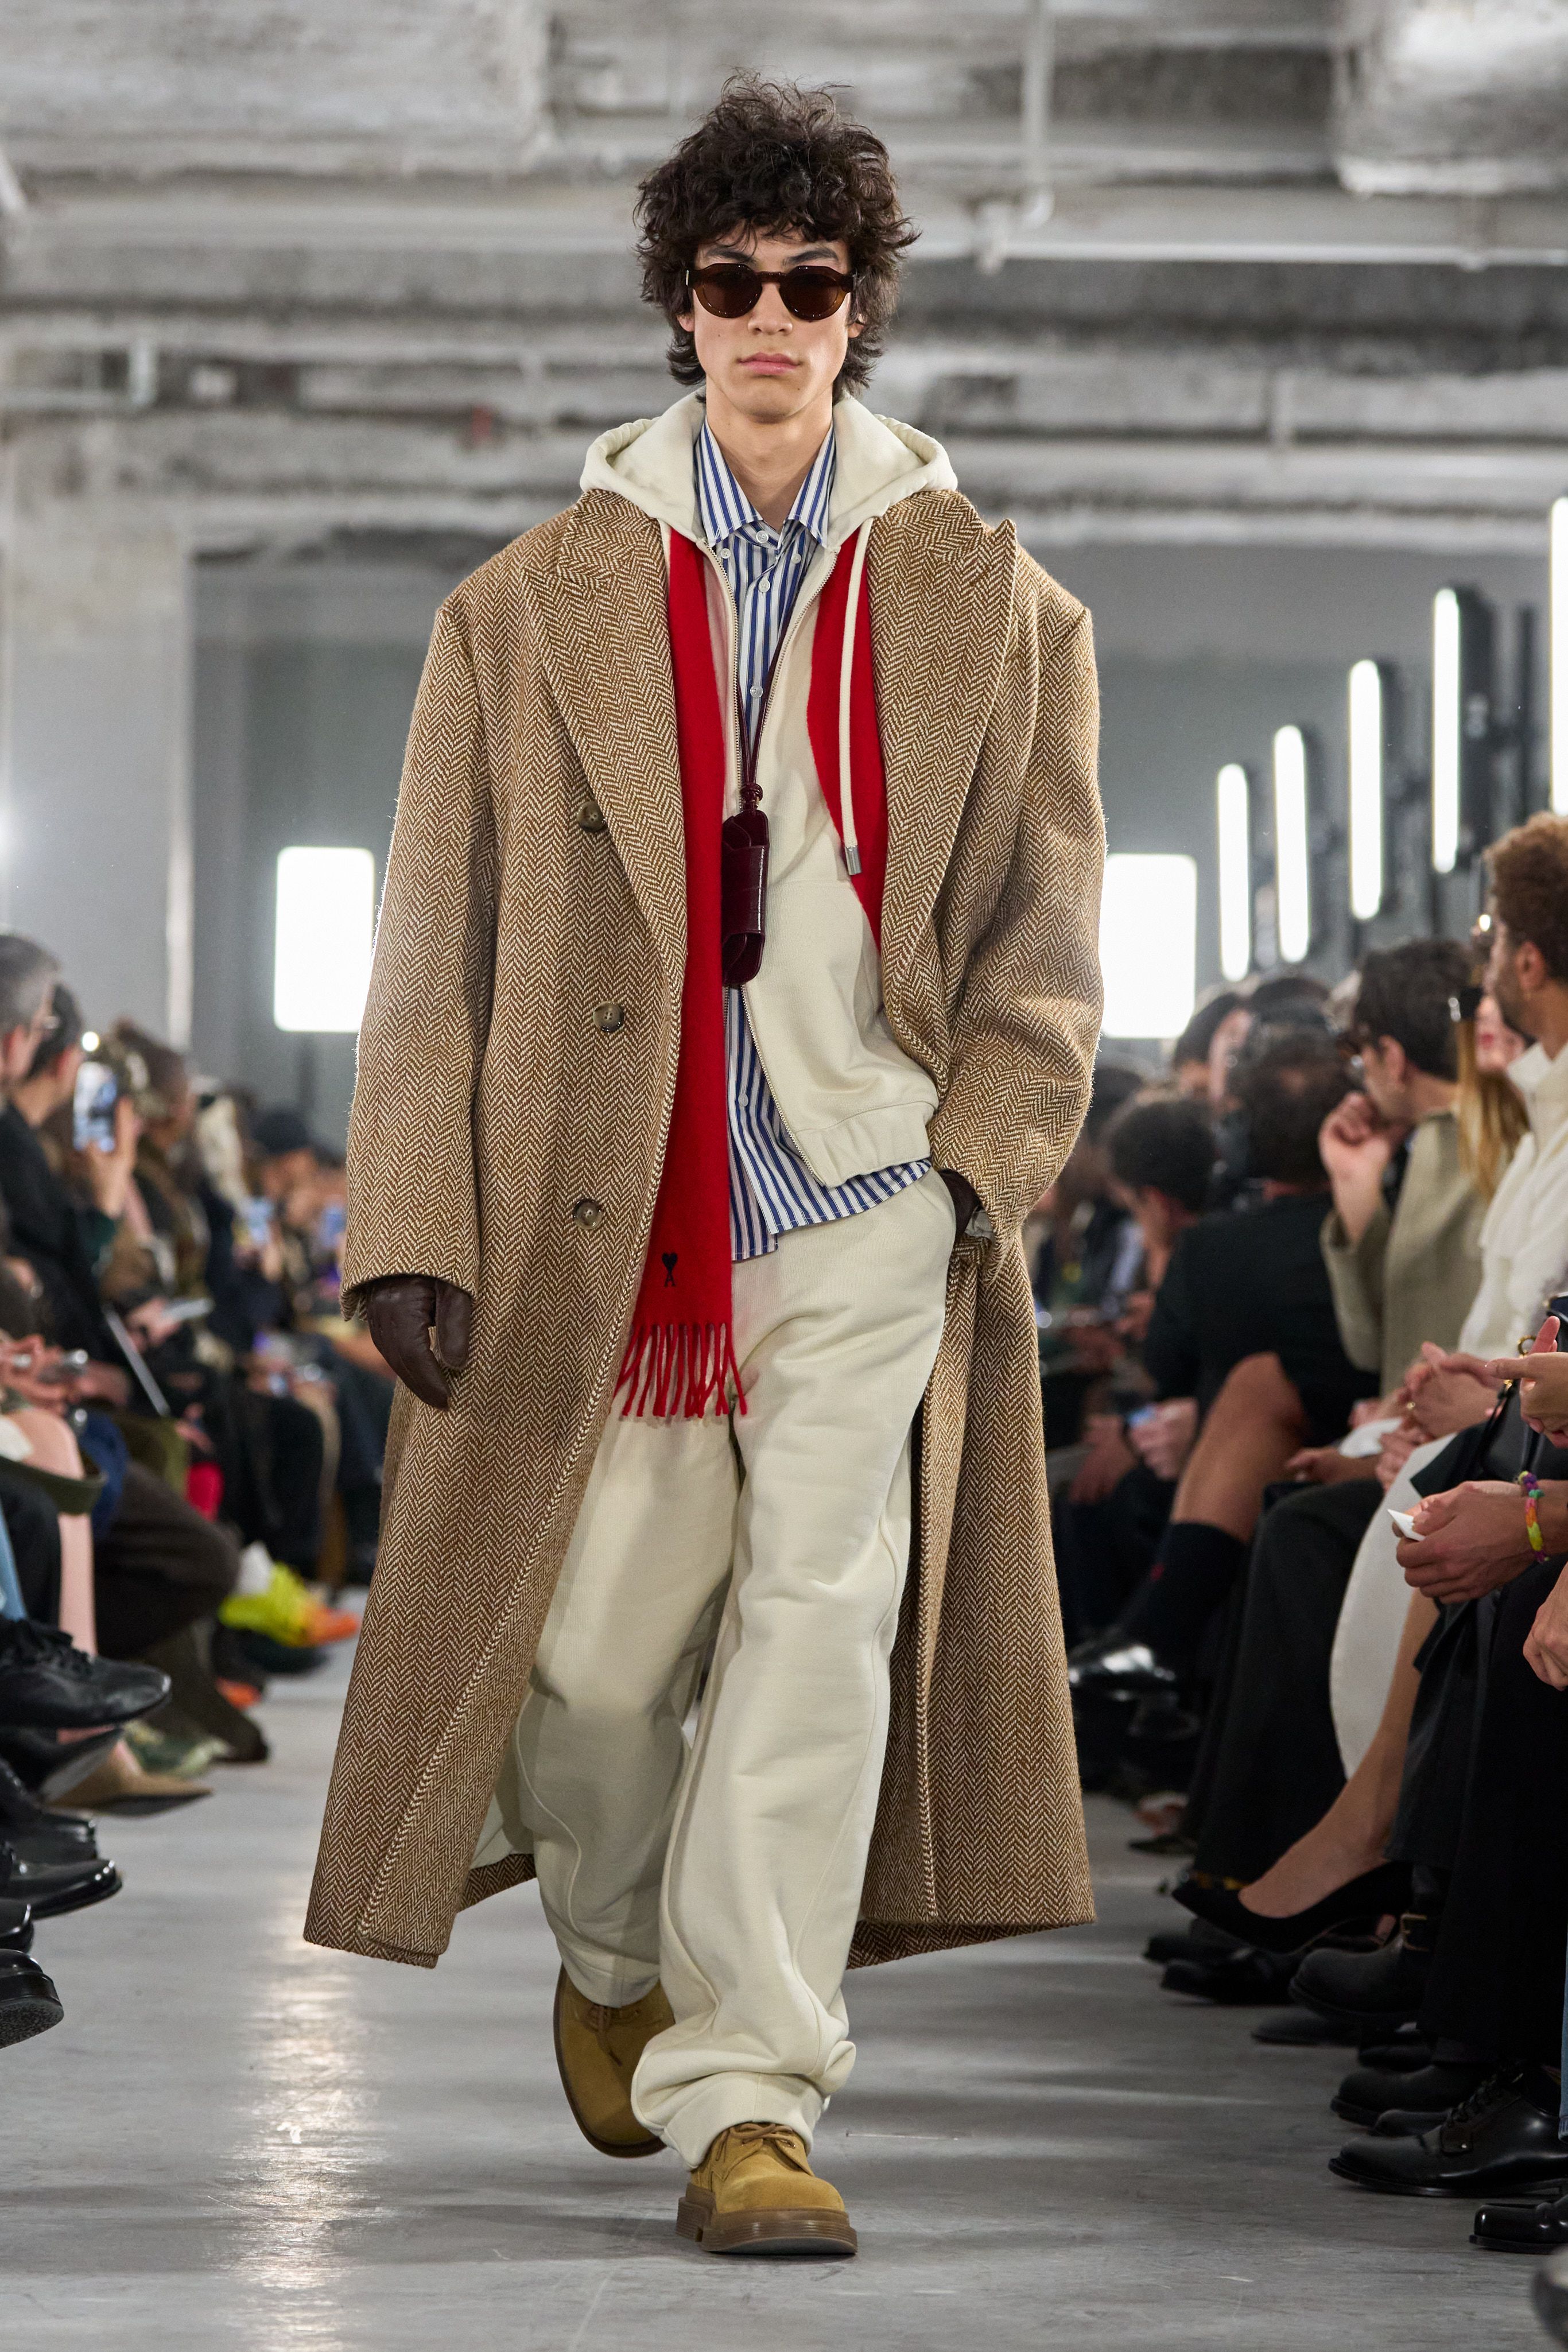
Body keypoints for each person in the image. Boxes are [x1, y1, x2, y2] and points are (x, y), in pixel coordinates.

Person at [305, 76, 1104, 2261]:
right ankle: (616, 1952)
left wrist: (973, 1174)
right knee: (582, 1659)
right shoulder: (524, 603)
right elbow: (428, 937)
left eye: (807, 285)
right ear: (680, 304)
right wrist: (408, 1215)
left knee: (814, 1639)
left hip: (862, 1200)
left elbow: (1046, 941)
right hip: (603, 1214)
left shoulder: (997, 606)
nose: (768, 318)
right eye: (730, 282)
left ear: (858, 313)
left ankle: (752, 2090)